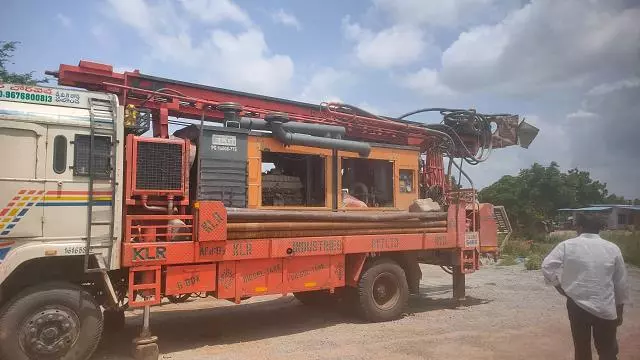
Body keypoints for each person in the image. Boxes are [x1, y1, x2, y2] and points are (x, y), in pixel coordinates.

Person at [542, 213, 630, 360]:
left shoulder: (566, 245)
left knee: (581, 348)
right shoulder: (612, 248)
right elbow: (620, 282)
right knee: (607, 350)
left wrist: (559, 287)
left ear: (579, 227)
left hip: (577, 305)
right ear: (599, 228)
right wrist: (619, 310)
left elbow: (547, 266)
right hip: (605, 306)